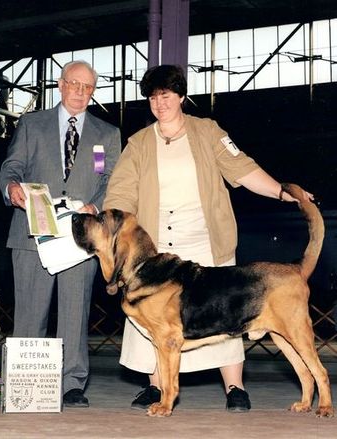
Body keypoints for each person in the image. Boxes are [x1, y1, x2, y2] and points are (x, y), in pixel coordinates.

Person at [103, 64, 313, 412]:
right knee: (156, 321)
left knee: (228, 310)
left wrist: (281, 192)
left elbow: (242, 169)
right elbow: (121, 195)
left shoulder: (207, 131)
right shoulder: (138, 143)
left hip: (204, 238)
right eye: (153, 97)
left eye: (166, 95)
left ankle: (235, 388)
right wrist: (109, 221)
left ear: (181, 96)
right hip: (156, 247)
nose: (160, 103)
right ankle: (157, 388)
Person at [0, 60, 121, 407]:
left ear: (93, 92)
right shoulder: (31, 123)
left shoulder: (107, 134)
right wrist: (10, 188)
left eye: (88, 87)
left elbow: (111, 181)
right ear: (60, 84)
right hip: (31, 234)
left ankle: (72, 383)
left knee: (75, 310)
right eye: (74, 84)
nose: (80, 92)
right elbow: (12, 167)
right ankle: (24, 383)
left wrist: (95, 208)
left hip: (81, 239)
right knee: (30, 313)